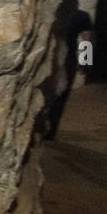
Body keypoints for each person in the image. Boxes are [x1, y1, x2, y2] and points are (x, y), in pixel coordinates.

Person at [44, 8, 94, 139]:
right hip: (66, 59)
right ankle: (50, 131)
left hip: (47, 56)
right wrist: (85, 61)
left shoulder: (55, 8)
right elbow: (86, 39)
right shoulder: (81, 15)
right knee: (61, 96)